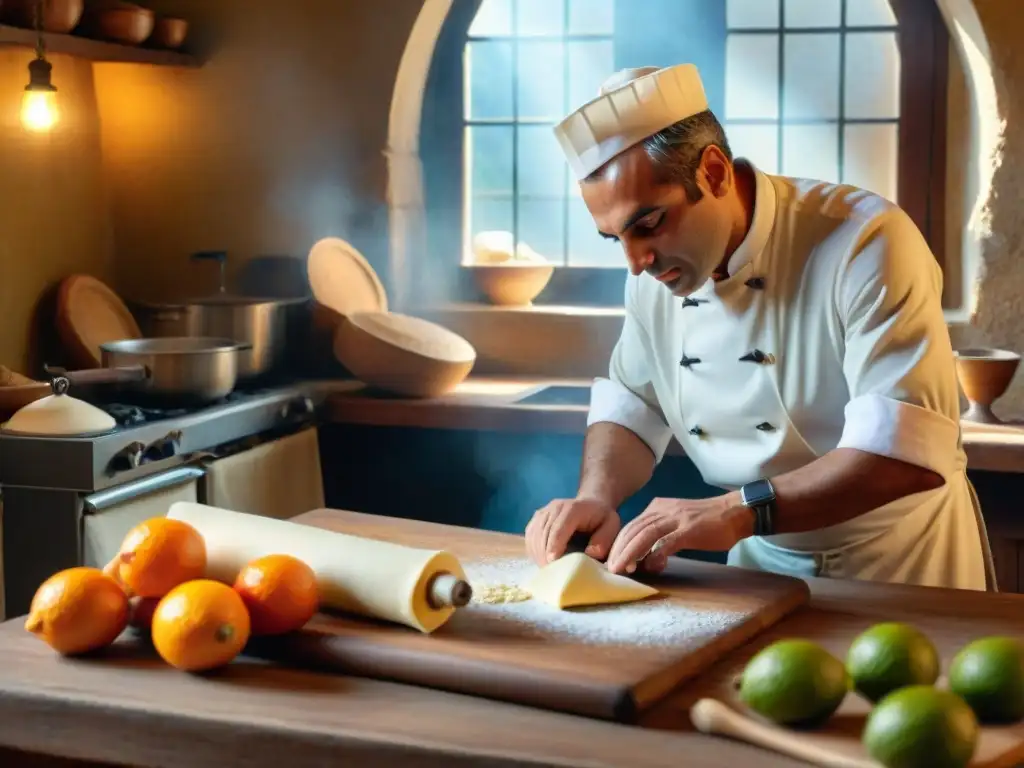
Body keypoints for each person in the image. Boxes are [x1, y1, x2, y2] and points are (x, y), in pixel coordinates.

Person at [524, 63, 995, 591]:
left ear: (715, 172)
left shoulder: (865, 242)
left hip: (900, 563)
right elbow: (636, 405)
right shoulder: (653, 276)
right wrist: (595, 496)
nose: (637, 262)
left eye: (649, 224)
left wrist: (736, 511)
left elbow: (903, 455)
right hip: (759, 567)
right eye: (616, 239)